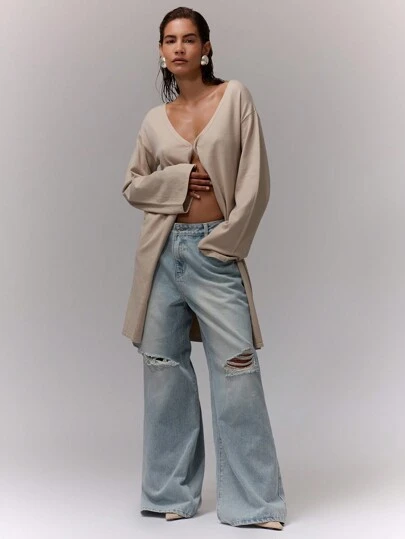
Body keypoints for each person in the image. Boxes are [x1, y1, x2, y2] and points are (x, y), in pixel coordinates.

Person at [121, 6, 287, 530]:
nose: (179, 48)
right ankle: (169, 494)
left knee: (237, 371)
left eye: (189, 39)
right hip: (162, 254)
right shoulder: (154, 120)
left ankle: (255, 504)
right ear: (160, 51)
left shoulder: (234, 97)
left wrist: (225, 244)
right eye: (170, 40)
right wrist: (174, 182)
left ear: (206, 47)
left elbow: (256, 181)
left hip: (214, 250)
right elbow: (132, 186)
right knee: (164, 373)